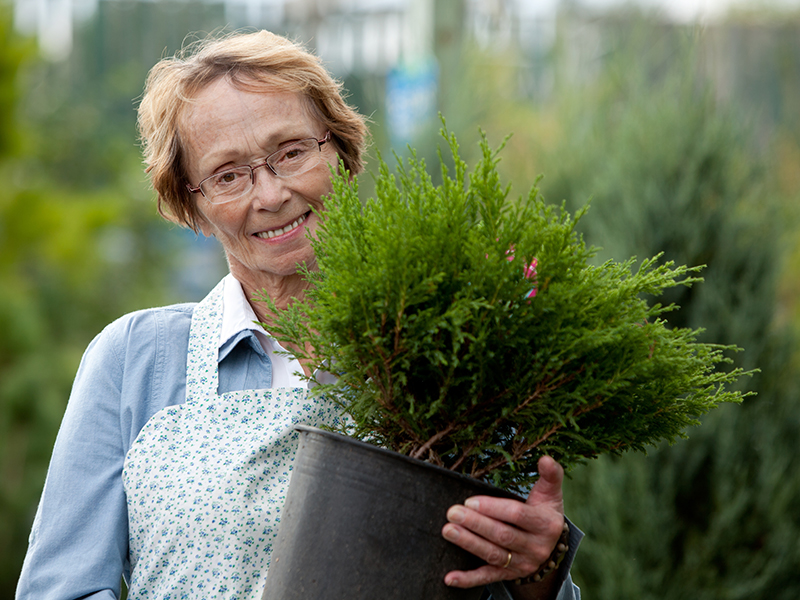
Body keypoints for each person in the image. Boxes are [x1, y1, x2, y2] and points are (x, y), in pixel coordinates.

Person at [16, 30, 582, 600]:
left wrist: (538, 573)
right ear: (194, 206)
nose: (270, 194)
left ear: (341, 152)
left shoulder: (448, 353)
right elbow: (58, 590)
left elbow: (502, 572)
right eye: (228, 175)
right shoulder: (133, 361)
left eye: (290, 152)